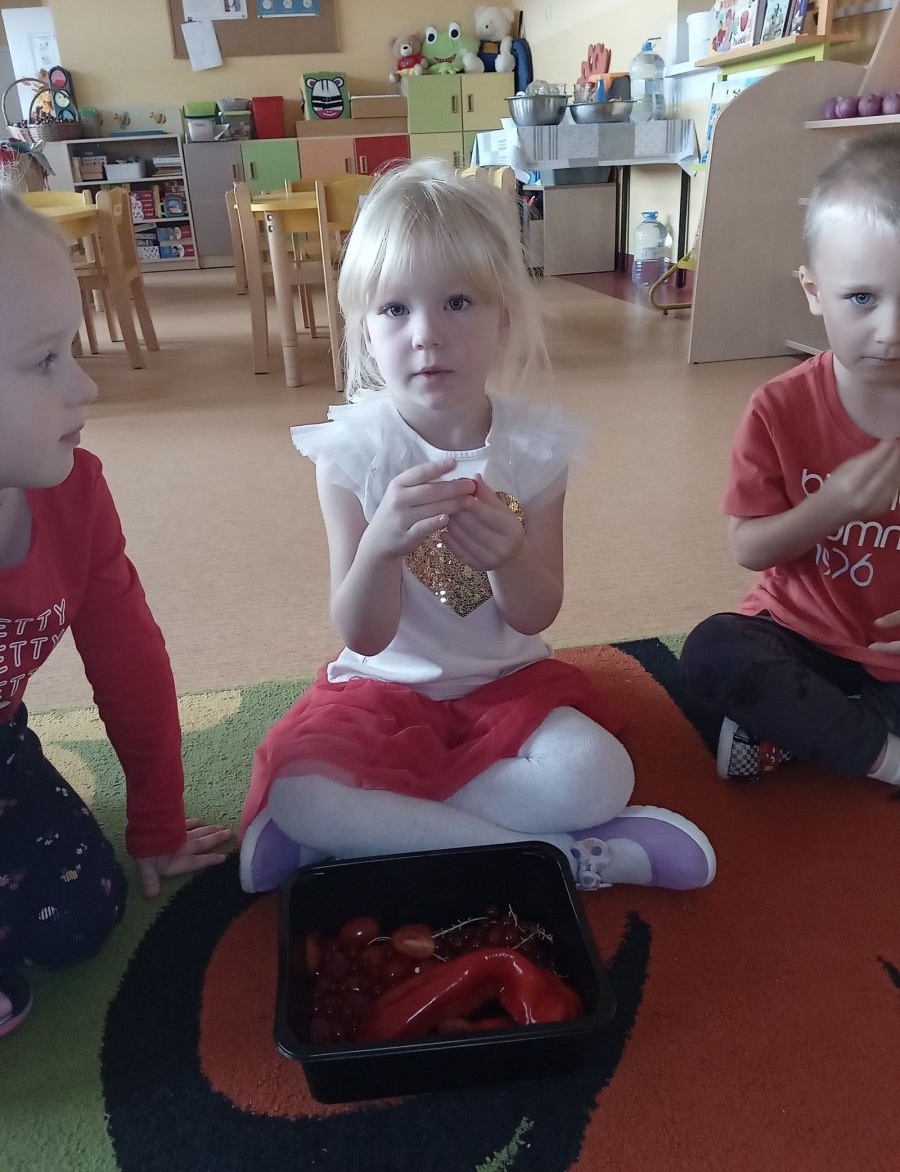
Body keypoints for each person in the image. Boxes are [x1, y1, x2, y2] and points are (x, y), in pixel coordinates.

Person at [240, 160, 716, 895]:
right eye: (394, 309)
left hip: (507, 683)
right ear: (364, 331)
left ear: (505, 319)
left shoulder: (535, 450)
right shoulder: (352, 456)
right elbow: (362, 635)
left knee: (597, 773)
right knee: (300, 793)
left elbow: (537, 613)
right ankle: (561, 856)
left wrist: (511, 557)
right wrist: (380, 550)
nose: (426, 334)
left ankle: (360, 837)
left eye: (457, 302)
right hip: (381, 690)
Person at [0, 191, 231, 1037]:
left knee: (82, 913)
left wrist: (158, 819)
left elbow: (131, 663)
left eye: (71, 349)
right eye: (43, 360)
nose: (85, 383)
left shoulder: (75, 496)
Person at [680, 133, 900, 787]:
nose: (891, 331)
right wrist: (831, 506)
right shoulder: (779, 407)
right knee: (713, 652)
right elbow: (749, 548)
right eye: (862, 299)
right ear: (814, 290)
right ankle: (881, 754)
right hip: (801, 639)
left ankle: (812, 734)